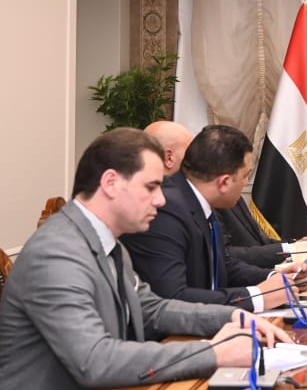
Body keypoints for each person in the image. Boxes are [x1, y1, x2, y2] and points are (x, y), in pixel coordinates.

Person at [0, 129, 288, 390]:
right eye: (151, 187)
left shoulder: (107, 242)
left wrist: (234, 316)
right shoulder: (57, 253)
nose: (161, 200)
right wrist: (213, 352)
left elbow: (153, 309)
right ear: (111, 182)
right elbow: (95, 360)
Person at [124, 125, 294, 311]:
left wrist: (274, 278)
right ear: (224, 182)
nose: (246, 183)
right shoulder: (165, 210)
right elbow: (173, 297)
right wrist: (257, 297)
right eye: (245, 176)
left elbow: (222, 265)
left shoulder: (196, 199)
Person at [144, 120, 290, 269]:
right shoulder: (167, 209)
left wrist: (275, 274)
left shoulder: (203, 196)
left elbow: (224, 262)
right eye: (191, 150)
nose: (198, 154)